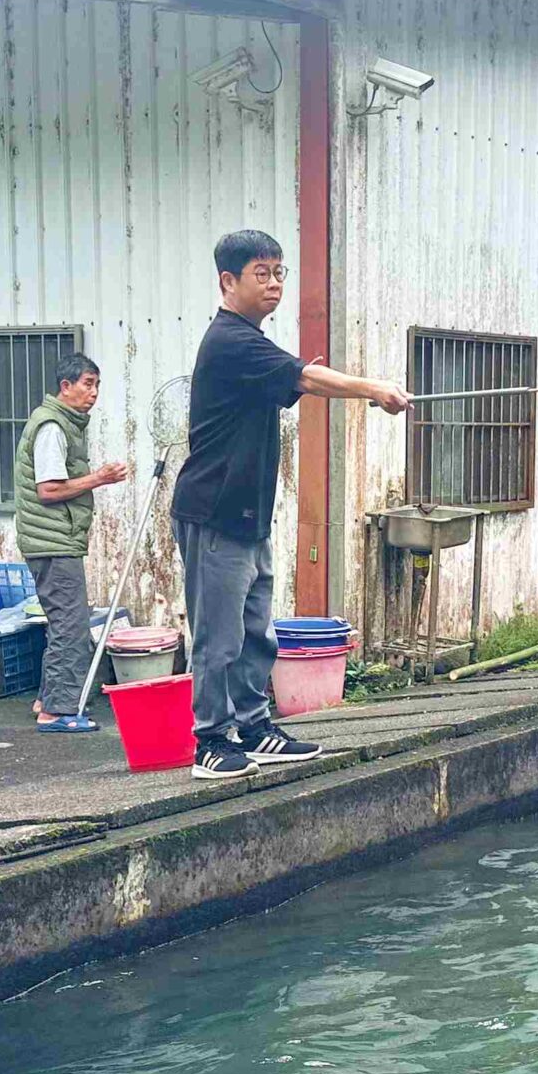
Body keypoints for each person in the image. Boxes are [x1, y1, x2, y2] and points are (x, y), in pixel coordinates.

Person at [174, 228, 409, 780]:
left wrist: (314, 378)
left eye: (280, 272)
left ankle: (255, 729)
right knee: (219, 636)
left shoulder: (251, 345)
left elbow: (295, 379)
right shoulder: (230, 340)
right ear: (228, 281)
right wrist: (374, 389)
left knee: (257, 631)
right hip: (214, 513)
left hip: (249, 515)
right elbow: (305, 376)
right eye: (262, 274)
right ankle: (210, 741)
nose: (275, 283)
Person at [14, 352, 131, 733]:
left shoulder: (61, 422)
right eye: (87, 384)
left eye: (97, 385)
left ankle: (46, 699)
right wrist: (99, 478)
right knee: (71, 625)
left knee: (62, 622)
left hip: (51, 539)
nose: (93, 393)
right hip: (53, 541)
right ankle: (58, 712)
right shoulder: (53, 427)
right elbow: (48, 490)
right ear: (65, 387)